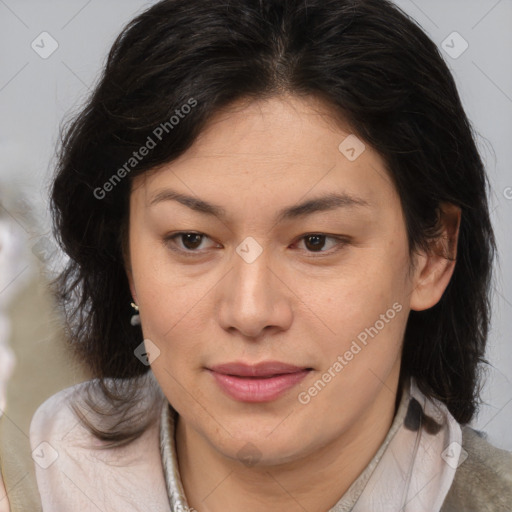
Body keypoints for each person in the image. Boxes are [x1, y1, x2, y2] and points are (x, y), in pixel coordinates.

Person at [27, 0, 512, 510]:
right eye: (191, 239)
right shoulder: (25, 481)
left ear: (433, 253)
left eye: (316, 241)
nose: (250, 312)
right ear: (125, 256)